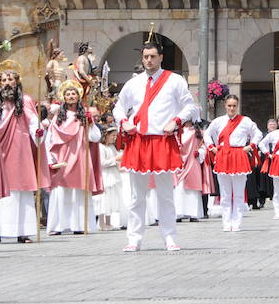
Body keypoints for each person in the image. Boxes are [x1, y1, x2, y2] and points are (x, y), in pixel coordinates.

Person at [111, 39, 197, 251]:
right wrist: (124, 122)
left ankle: (169, 236)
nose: (148, 60)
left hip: (162, 139)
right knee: (136, 195)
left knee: (165, 193)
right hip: (139, 140)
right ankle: (134, 238)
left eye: (152, 56)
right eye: (145, 57)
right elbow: (119, 108)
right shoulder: (133, 83)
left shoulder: (175, 80)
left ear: (161, 57)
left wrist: (176, 122)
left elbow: (189, 106)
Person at [0, 61, 43, 244]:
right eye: (4, 79)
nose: (8, 83)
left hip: (19, 149)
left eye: (11, 79)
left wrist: (38, 131)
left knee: (21, 190)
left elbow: (34, 121)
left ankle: (22, 231)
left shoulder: (25, 101)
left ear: (17, 82)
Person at [44, 79, 103, 235]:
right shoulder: (58, 118)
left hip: (80, 156)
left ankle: (80, 225)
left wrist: (91, 123)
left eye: (73, 94)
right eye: (68, 94)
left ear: (78, 96)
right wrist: (50, 159)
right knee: (60, 191)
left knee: (79, 191)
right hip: (62, 157)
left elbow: (95, 138)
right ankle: (58, 227)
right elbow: (49, 138)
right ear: (64, 97)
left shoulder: (84, 116)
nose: (70, 96)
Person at [205, 94, 262, 232]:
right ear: (225, 105)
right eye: (229, 105)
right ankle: (226, 222)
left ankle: (236, 222)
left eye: (234, 106)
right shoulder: (218, 121)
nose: (232, 108)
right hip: (223, 155)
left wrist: (250, 146)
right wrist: (211, 147)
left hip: (239, 155)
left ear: (238, 106)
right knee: (224, 193)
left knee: (238, 193)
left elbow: (258, 134)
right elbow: (207, 134)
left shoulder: (245, 121)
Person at [173, 121, 207, 223]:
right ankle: (178, 213)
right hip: (179, 162)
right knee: (179, 188)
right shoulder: (177, 132)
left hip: (192, 162)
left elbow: (203, 147)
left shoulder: (198, 133)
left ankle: (193, 213)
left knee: (192, 189)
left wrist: (199, 153)